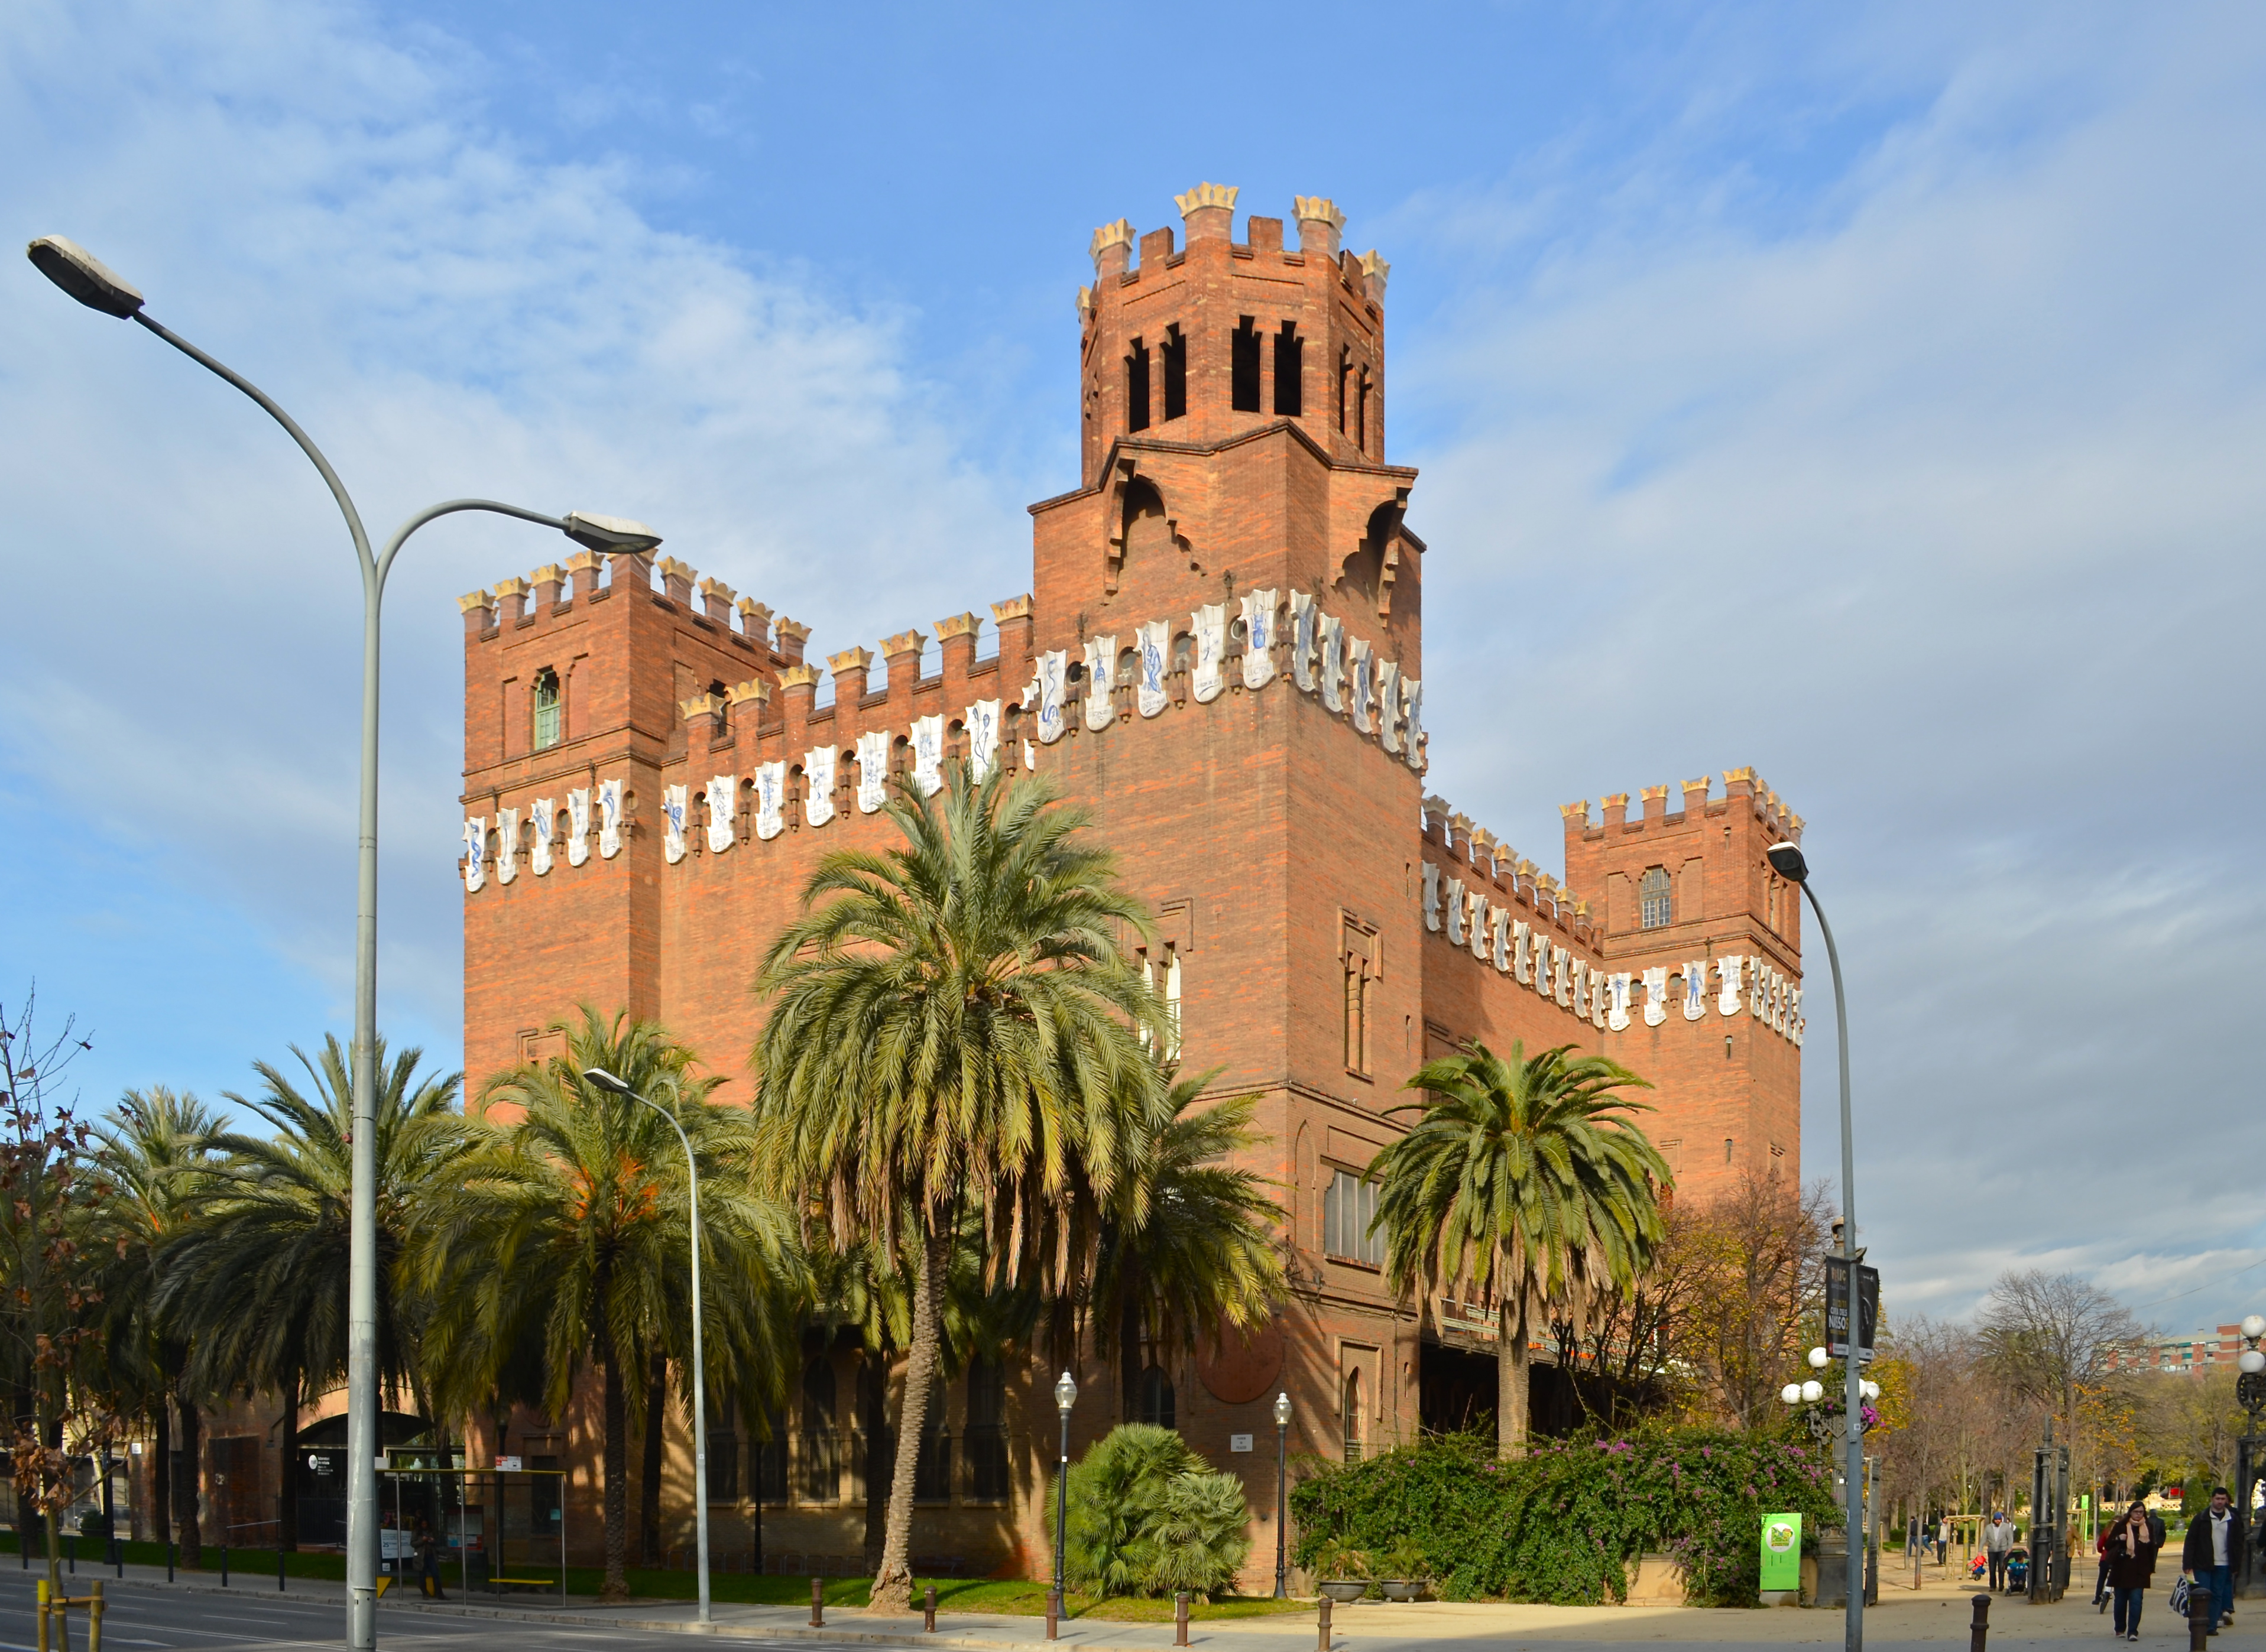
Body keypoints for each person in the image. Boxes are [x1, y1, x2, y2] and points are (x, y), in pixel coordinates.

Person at [2182, 1487, 2243, 1635]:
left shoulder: (2233, 1519)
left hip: (2224, 1563)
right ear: (2212, 1499)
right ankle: (2199, 1623)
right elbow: (2191, 1541)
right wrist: (2187, 1564)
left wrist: (2236, 1564)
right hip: (2203, 1563)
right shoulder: (2201, 1518)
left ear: (2227, 1500)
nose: (2220, 1502)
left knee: (2217, 1595)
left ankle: (2211, 1626)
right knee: (2203, 1594)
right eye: (2217, 1499)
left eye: (2223, 1499)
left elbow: (2238, 1543)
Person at [2105, 1501, 2158, 1641]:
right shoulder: (2121, 1526)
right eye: (2136, 1512)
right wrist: (2118, 1539)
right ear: (2131, 1512)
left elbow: (2152, 1550)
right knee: (2121, 1601)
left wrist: (2151, 1568)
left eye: (2141, 1512)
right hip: (2121, 1569)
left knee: (2136, 1601)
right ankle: (2120, 1628)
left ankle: (2133, 1631)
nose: (2139, 1515)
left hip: (2140, 1570)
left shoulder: (2148, 1527)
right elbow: (2107, 1545)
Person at [1984, 1510, 2015, 1591]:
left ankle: (2001, 1584)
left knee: (2001, 1568)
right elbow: (1984, 1538)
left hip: (2002, 1550)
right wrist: (1980, 1550)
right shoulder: (1989, 1527)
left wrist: (2009, 1548)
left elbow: (2010, 1538)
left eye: (1999, 1519)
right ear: (1994, 1520)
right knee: (1992, 1569)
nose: (1998, 1521)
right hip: (1992, 1550)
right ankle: (1992, 1586)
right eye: (1996, 1519)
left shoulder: (2006, 1527)